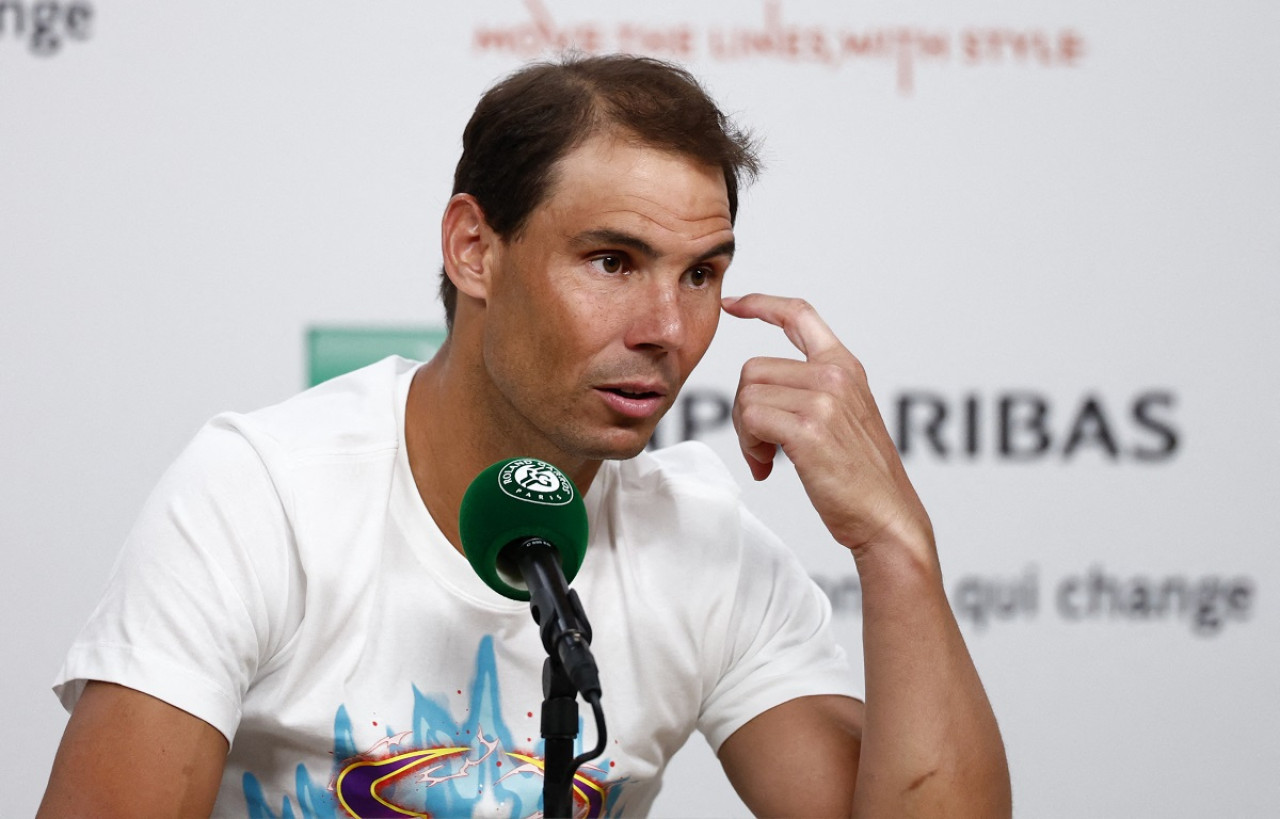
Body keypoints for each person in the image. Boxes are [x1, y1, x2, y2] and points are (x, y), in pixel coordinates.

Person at [39, 54, 1010, 817]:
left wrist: (893, 543)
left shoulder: (701, 546)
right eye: (610, 261)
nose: (666, 331)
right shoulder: (260, 496)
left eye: (701, 274)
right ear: (473, 250)